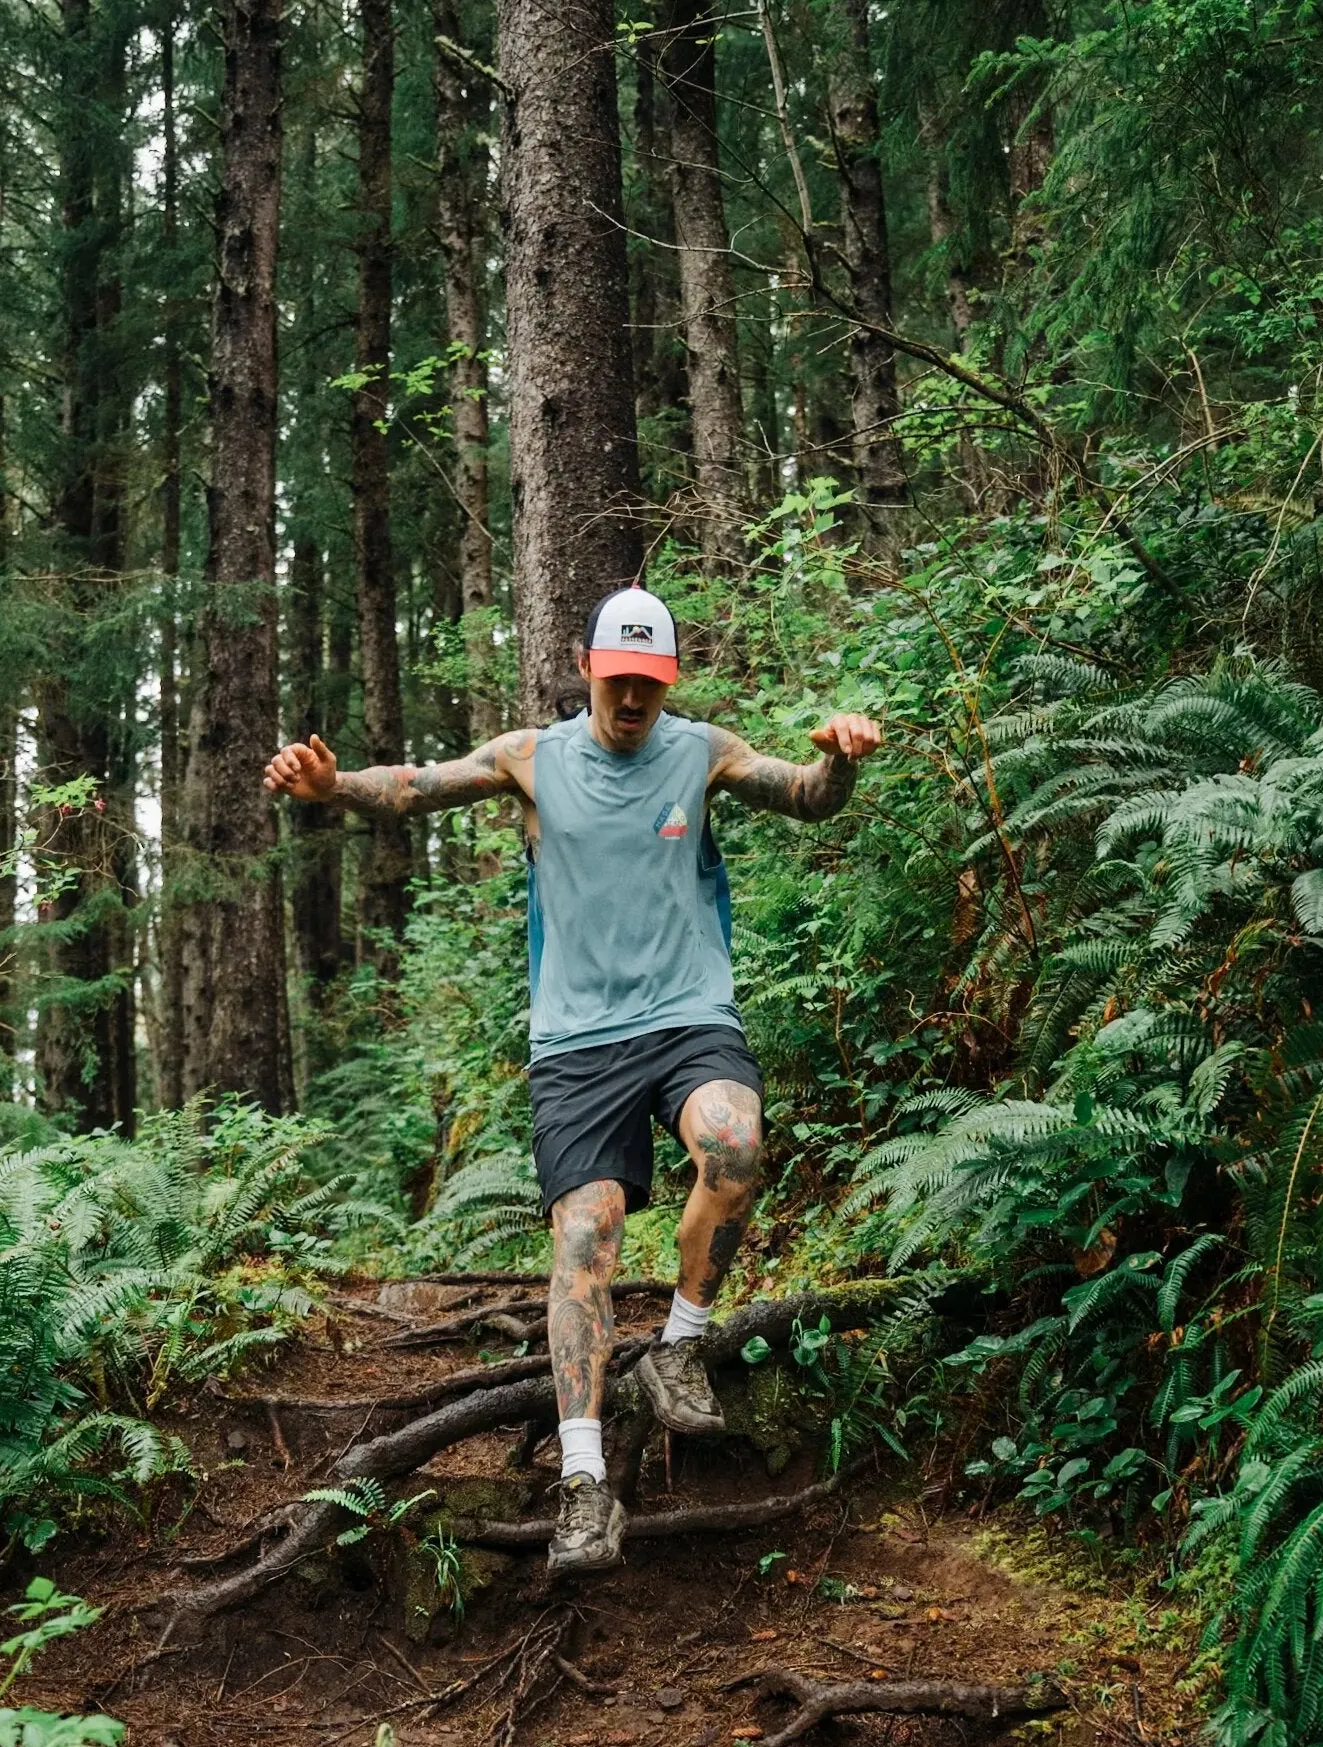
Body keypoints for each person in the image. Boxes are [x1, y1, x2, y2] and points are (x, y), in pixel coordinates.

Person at [263, 586, 882, 1574]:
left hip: (687, 1014)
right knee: (588, 1232)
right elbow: (418, 784)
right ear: (588, 668)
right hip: (579, 1041)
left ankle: (680, 1342)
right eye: (619, 678)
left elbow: (805, 796)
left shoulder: (703, 750)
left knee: (733, 1146)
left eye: (650, 681)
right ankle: (587, 1484)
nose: (633, 698)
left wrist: (839, 760)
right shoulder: (532, 758)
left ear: (667, 682)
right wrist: (333, 787)